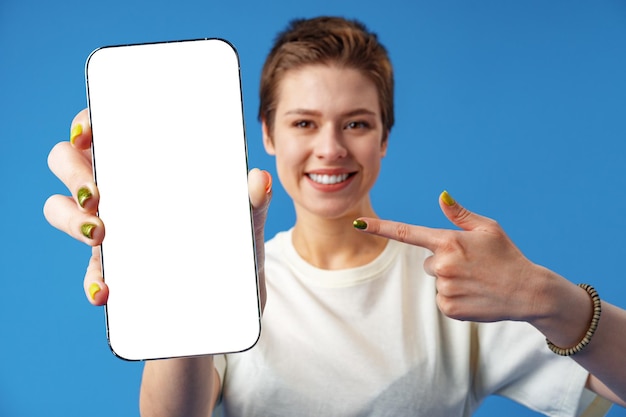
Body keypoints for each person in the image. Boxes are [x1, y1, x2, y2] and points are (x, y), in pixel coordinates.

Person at [44, 16, 626, 417]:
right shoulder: (228, 279)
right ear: (268, 135)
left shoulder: (458, 284)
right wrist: (185, 288)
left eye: (356, 123)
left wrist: (550, 298)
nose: (330, 148)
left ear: (384, 138)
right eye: (303, 123)